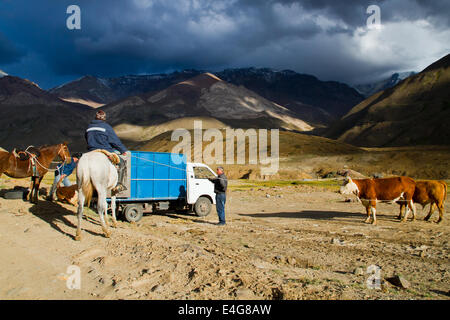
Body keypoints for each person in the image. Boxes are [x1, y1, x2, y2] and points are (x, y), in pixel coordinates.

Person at [85, 110, 129, 192]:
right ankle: (118, 185)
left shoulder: (89, 127)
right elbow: (114, 141)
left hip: (91, 151)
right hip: (105, 151)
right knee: (122, 163)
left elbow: (87, 139)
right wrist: (123, 150)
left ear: (95, 117)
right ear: (104, 118)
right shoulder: (106, 127)